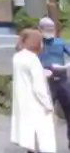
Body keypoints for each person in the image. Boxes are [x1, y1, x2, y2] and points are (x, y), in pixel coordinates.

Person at [11, 28, 56, 153]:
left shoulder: (17, 57)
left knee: (29, 135)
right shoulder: (32, 59)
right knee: (44, 137)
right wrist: (49, 105)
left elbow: (26, 76)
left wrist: (42, 73)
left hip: (23, 99)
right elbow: (39, 88)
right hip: (35, 102)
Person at [38, 16, 70, 149]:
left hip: (62, 81)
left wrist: (65, 66)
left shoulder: (61, 42)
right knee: (43, 115)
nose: (50, 31)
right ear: (40, 29)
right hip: (44, 83)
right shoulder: (36, 44)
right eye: (47, 28)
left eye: (52, 28)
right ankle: (42, 146)